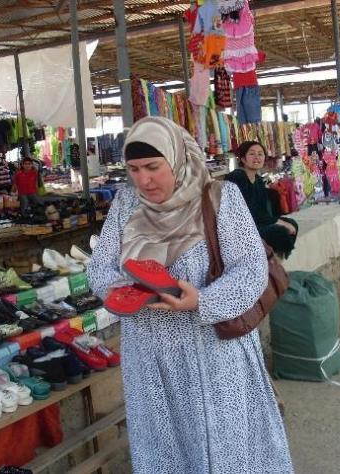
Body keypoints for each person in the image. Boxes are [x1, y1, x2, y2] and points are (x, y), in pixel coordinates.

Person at [87, 117, 293, 474]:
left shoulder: (218, 197)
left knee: (222, 446)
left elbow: (251, 270)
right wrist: (122, 292)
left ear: (177, 157)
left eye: (153, 167)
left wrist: (202, 301)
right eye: (134, 170)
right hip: (150, 359)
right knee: (164, 446)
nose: (144, 180)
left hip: (212, 355)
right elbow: (100, 267)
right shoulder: (126, 204)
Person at [226, 141, 298, 259]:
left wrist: (277, 221)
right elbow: (249, 212)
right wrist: (277, 222)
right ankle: (268, 262)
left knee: (292, 224)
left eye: (260, 154)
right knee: (280, 231)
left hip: (256, 222)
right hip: (241, 228)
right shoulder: (237, 177)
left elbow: (262, 210)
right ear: (243, 159)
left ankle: (273, 260)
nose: (257, 157)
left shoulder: (258, 180)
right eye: (252, 154)